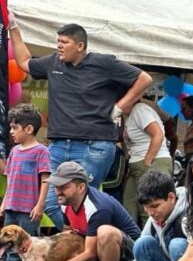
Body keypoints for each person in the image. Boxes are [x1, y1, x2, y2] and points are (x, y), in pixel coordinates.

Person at [8, 17, 153, 231]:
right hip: (58, 146)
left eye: (64, 42)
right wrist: (13, 27)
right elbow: (24, 62)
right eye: (58, 41)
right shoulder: (53, 63)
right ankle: (81, 241)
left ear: (80, 46)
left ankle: (100, 245)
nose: (59, 45)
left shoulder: (104, 63)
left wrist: (120, 106)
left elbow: (145, 79)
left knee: (82, 201)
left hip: (94, 145)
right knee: (49, 202)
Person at [46, 161, 142, 261]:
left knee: (105, 232)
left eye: (64, 187)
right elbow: (67, 237)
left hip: (133, 254)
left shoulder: (98, 207)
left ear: (81, 187)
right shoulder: (66, 204)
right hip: (101, 250)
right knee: (73, 240)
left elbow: (90, 254)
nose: (58, 191)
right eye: (56, 187)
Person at [0, 105, 51, 261]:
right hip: (12, 206)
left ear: (28, 129)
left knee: (29, 248)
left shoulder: (41, 151)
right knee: (11, 247)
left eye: (15, 128)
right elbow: (10, 179)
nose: (11, 132)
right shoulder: (14, 152)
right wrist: (5, 202)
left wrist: (40, 204)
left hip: (29, 209)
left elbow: (45, 178)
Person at [132, 170, 189, 261]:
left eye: (154, 206)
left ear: (171, 197)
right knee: (141, 244)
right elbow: (139, 256)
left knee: (176, 245)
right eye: (146, 207)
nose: (150, 213)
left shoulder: (190, 212)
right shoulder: (154, 217)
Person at [122, 100, 173, 225]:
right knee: (129, 205)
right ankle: (133, 240)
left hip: (152, 161)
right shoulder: (128, 115)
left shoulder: (140, 110)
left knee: (150, 208)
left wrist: (148, 161)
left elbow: (158, 135)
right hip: (136, 165)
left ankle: (152, 240)